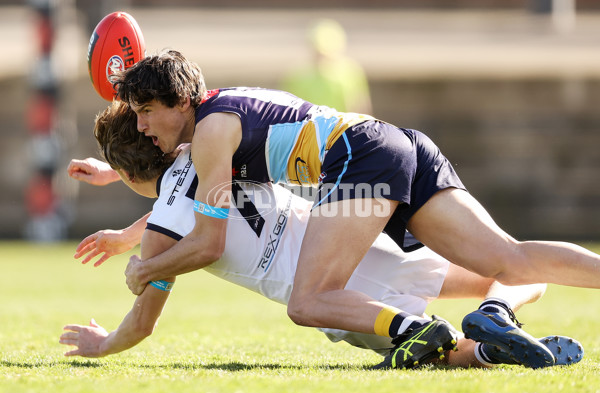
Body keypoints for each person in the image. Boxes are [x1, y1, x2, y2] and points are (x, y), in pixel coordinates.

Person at [77, 48, 600, 368]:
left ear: (181, 102)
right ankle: (495, 313)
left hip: (358, 161)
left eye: (147, 112)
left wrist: (143, 267)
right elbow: (182, 182)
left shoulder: (211, 136)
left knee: (307, 302)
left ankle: (418, 331)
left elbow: (206, 234)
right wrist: (116, 173)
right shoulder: (215, 113)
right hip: (396, 143)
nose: (143, 124)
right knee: (506, 258)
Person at [280, 18, 372, 114]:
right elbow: (289, 110)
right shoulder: (298, 75)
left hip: (339, 126)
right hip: (309, 126)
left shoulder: (350, 72)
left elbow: (358, 107)